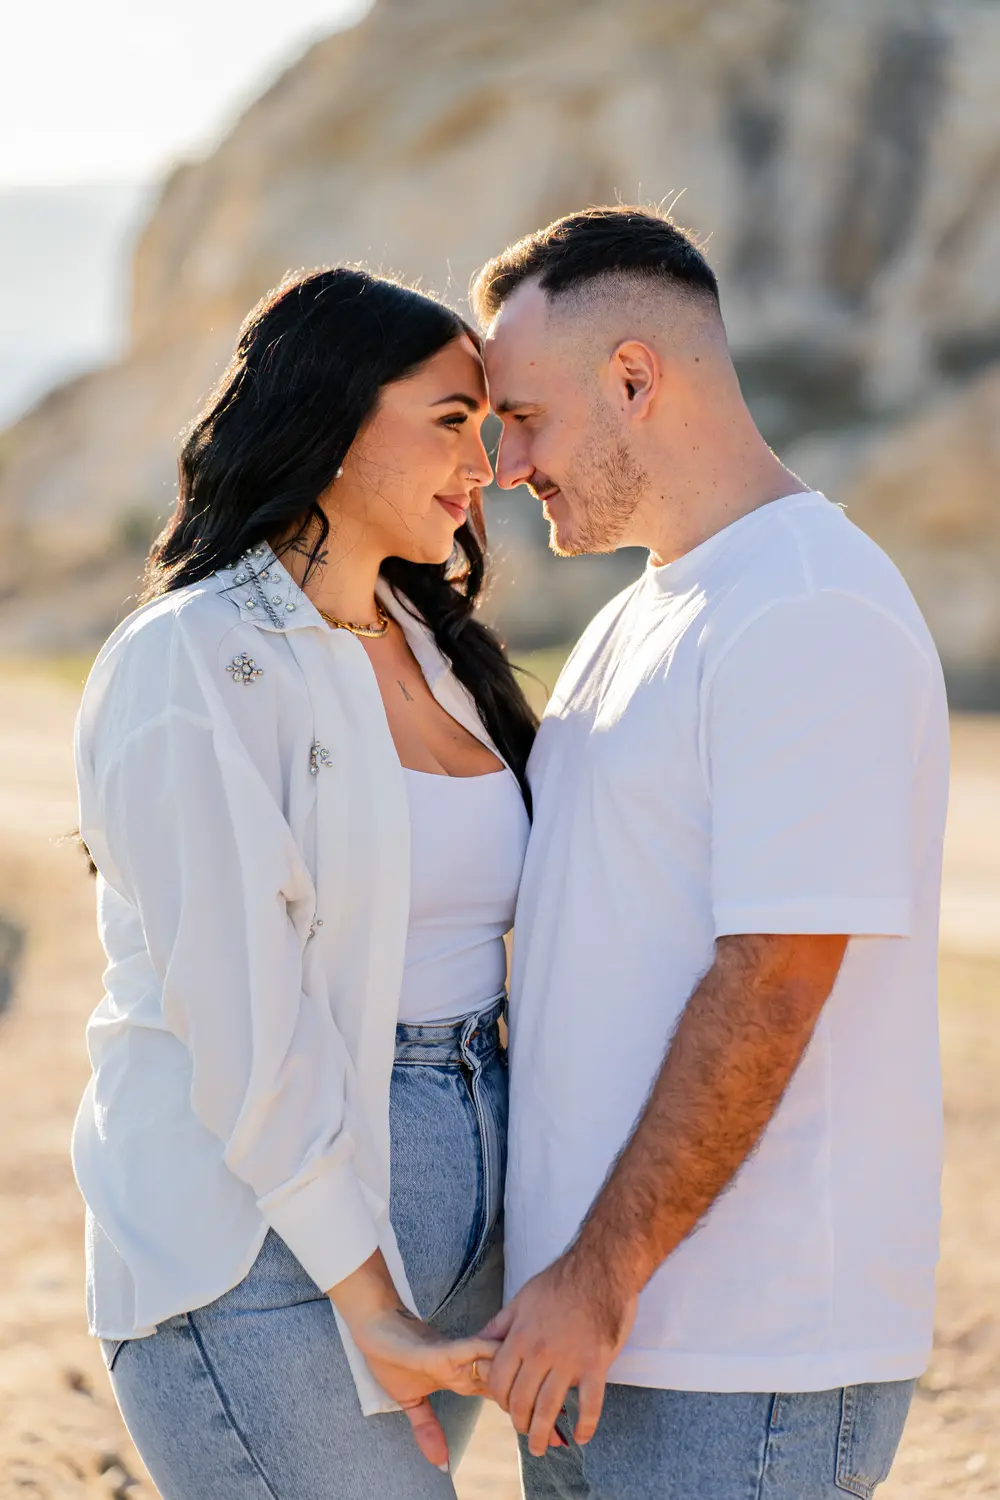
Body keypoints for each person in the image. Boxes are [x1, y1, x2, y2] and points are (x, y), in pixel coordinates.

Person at [470, 207, 950, 1499]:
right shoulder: (643, 613)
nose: (507, 466)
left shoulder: (806, 607)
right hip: (591, 1341)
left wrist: (597, 1277)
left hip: (745, 1359)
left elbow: (776, 977)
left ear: (634, 377)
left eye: (525, 418)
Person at [72, 267, 542, 1500]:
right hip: (268, 1245)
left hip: (470, 1212)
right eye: (452, 421)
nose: (485, 464)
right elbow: (242, 1020)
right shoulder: (192, 657)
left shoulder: (433, 641)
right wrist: (368, 1294)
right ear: (332, 418)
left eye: (491, 427)